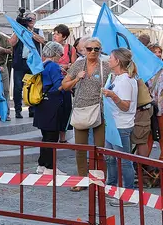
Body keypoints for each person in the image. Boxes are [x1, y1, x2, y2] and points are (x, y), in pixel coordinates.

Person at [62, 37, 111, 192]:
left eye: (96, 49)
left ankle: (98, 180)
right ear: (84, 50)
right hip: (82, 108)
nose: (93, 52)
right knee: (80, 148)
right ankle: (82, 179)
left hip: (99, 110)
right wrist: (77, 78)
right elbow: (64, 85)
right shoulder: (78, 65)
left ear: (100, 50)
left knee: (99, 148)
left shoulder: (105, 66)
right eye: (89, 49)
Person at [101, 48, 138, 206]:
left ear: (117, 61)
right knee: (110, 159)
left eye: (111, 58)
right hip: (113, 124)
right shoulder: (117, 78)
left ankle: (129, 194)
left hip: (121, 126)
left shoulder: (125, 80)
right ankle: (112, 188)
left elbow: (126, 106)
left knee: (124, 160)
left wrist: (113, 96)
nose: (109, 60)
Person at [32, 42, 72, 175]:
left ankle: (42, 165)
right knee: (51, 138)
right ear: (55, 53)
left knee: (45, 137)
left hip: (42, 103)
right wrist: (72, 79)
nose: (61, 57)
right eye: (60, 54)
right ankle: (50, 167)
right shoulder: (54, 66)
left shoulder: (42, 66)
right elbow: (59, 86)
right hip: (53, 104)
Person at [11, 13, 46, 118]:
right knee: (18, 87)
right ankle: (18, 110)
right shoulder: (18, 30)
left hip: (32, 63)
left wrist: (30, 31)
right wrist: (19, 29)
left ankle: (32, 109)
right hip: (20, 62)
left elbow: (42, 41)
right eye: (29, 19)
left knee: (32, 85)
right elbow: (11, 43)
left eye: (33, 19)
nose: (31, 21)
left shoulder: (37, 31)